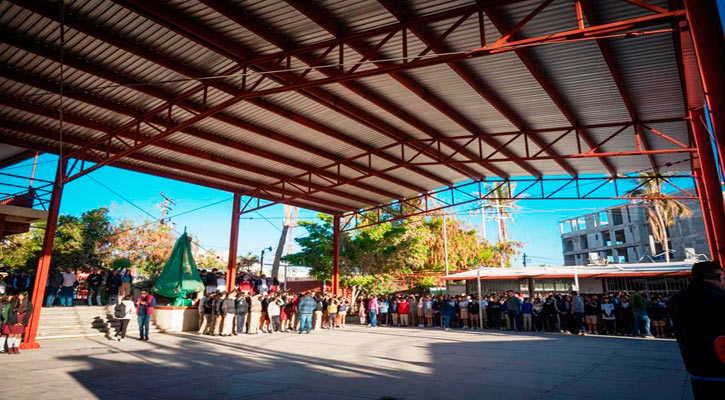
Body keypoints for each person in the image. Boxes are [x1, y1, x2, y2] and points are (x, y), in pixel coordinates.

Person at [668, 261, 725, 398]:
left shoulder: (676, 300)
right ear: (719, 276)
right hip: (720, 367)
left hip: (696, 368)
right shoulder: (719, 298)